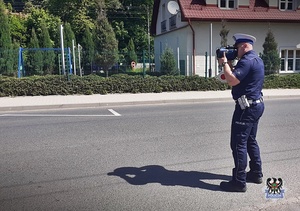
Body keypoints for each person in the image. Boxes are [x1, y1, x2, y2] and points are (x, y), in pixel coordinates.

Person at [218, 33, 265, 192]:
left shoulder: (246, 61)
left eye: (237, 48)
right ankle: (256, 173)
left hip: (246, 109)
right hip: (256, 106)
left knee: (239, 143)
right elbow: (235, 77)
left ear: (244, 46)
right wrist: (229, 65)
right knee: (251, 140)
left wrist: (224, 63)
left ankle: (239, 182)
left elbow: (231, 80)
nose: (235, 51)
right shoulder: (256, 59)